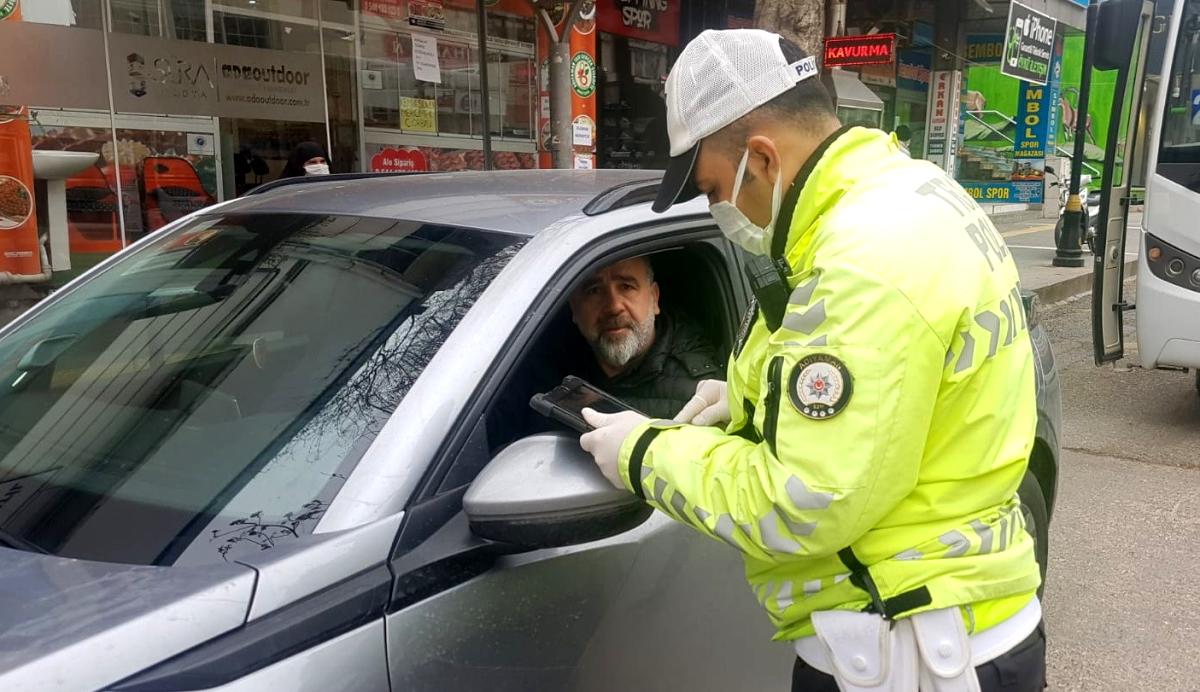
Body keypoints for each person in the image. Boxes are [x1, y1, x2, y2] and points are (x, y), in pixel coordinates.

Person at [578, 29, 1045, 691]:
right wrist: (744, 399)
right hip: (954, 618)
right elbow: (898, 388)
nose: (718, 210)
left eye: (713, 188)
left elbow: (802, 505)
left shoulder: (861, 261)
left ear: (762, 158)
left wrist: (644, 452)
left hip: (908, 650)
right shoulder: (913, 192)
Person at [567, 256, 721, 419]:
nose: (613, 307)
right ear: (574, 309)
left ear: (654, 298)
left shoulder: (701, 393)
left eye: (626, 287)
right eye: (594, 291)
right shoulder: (549, 365)